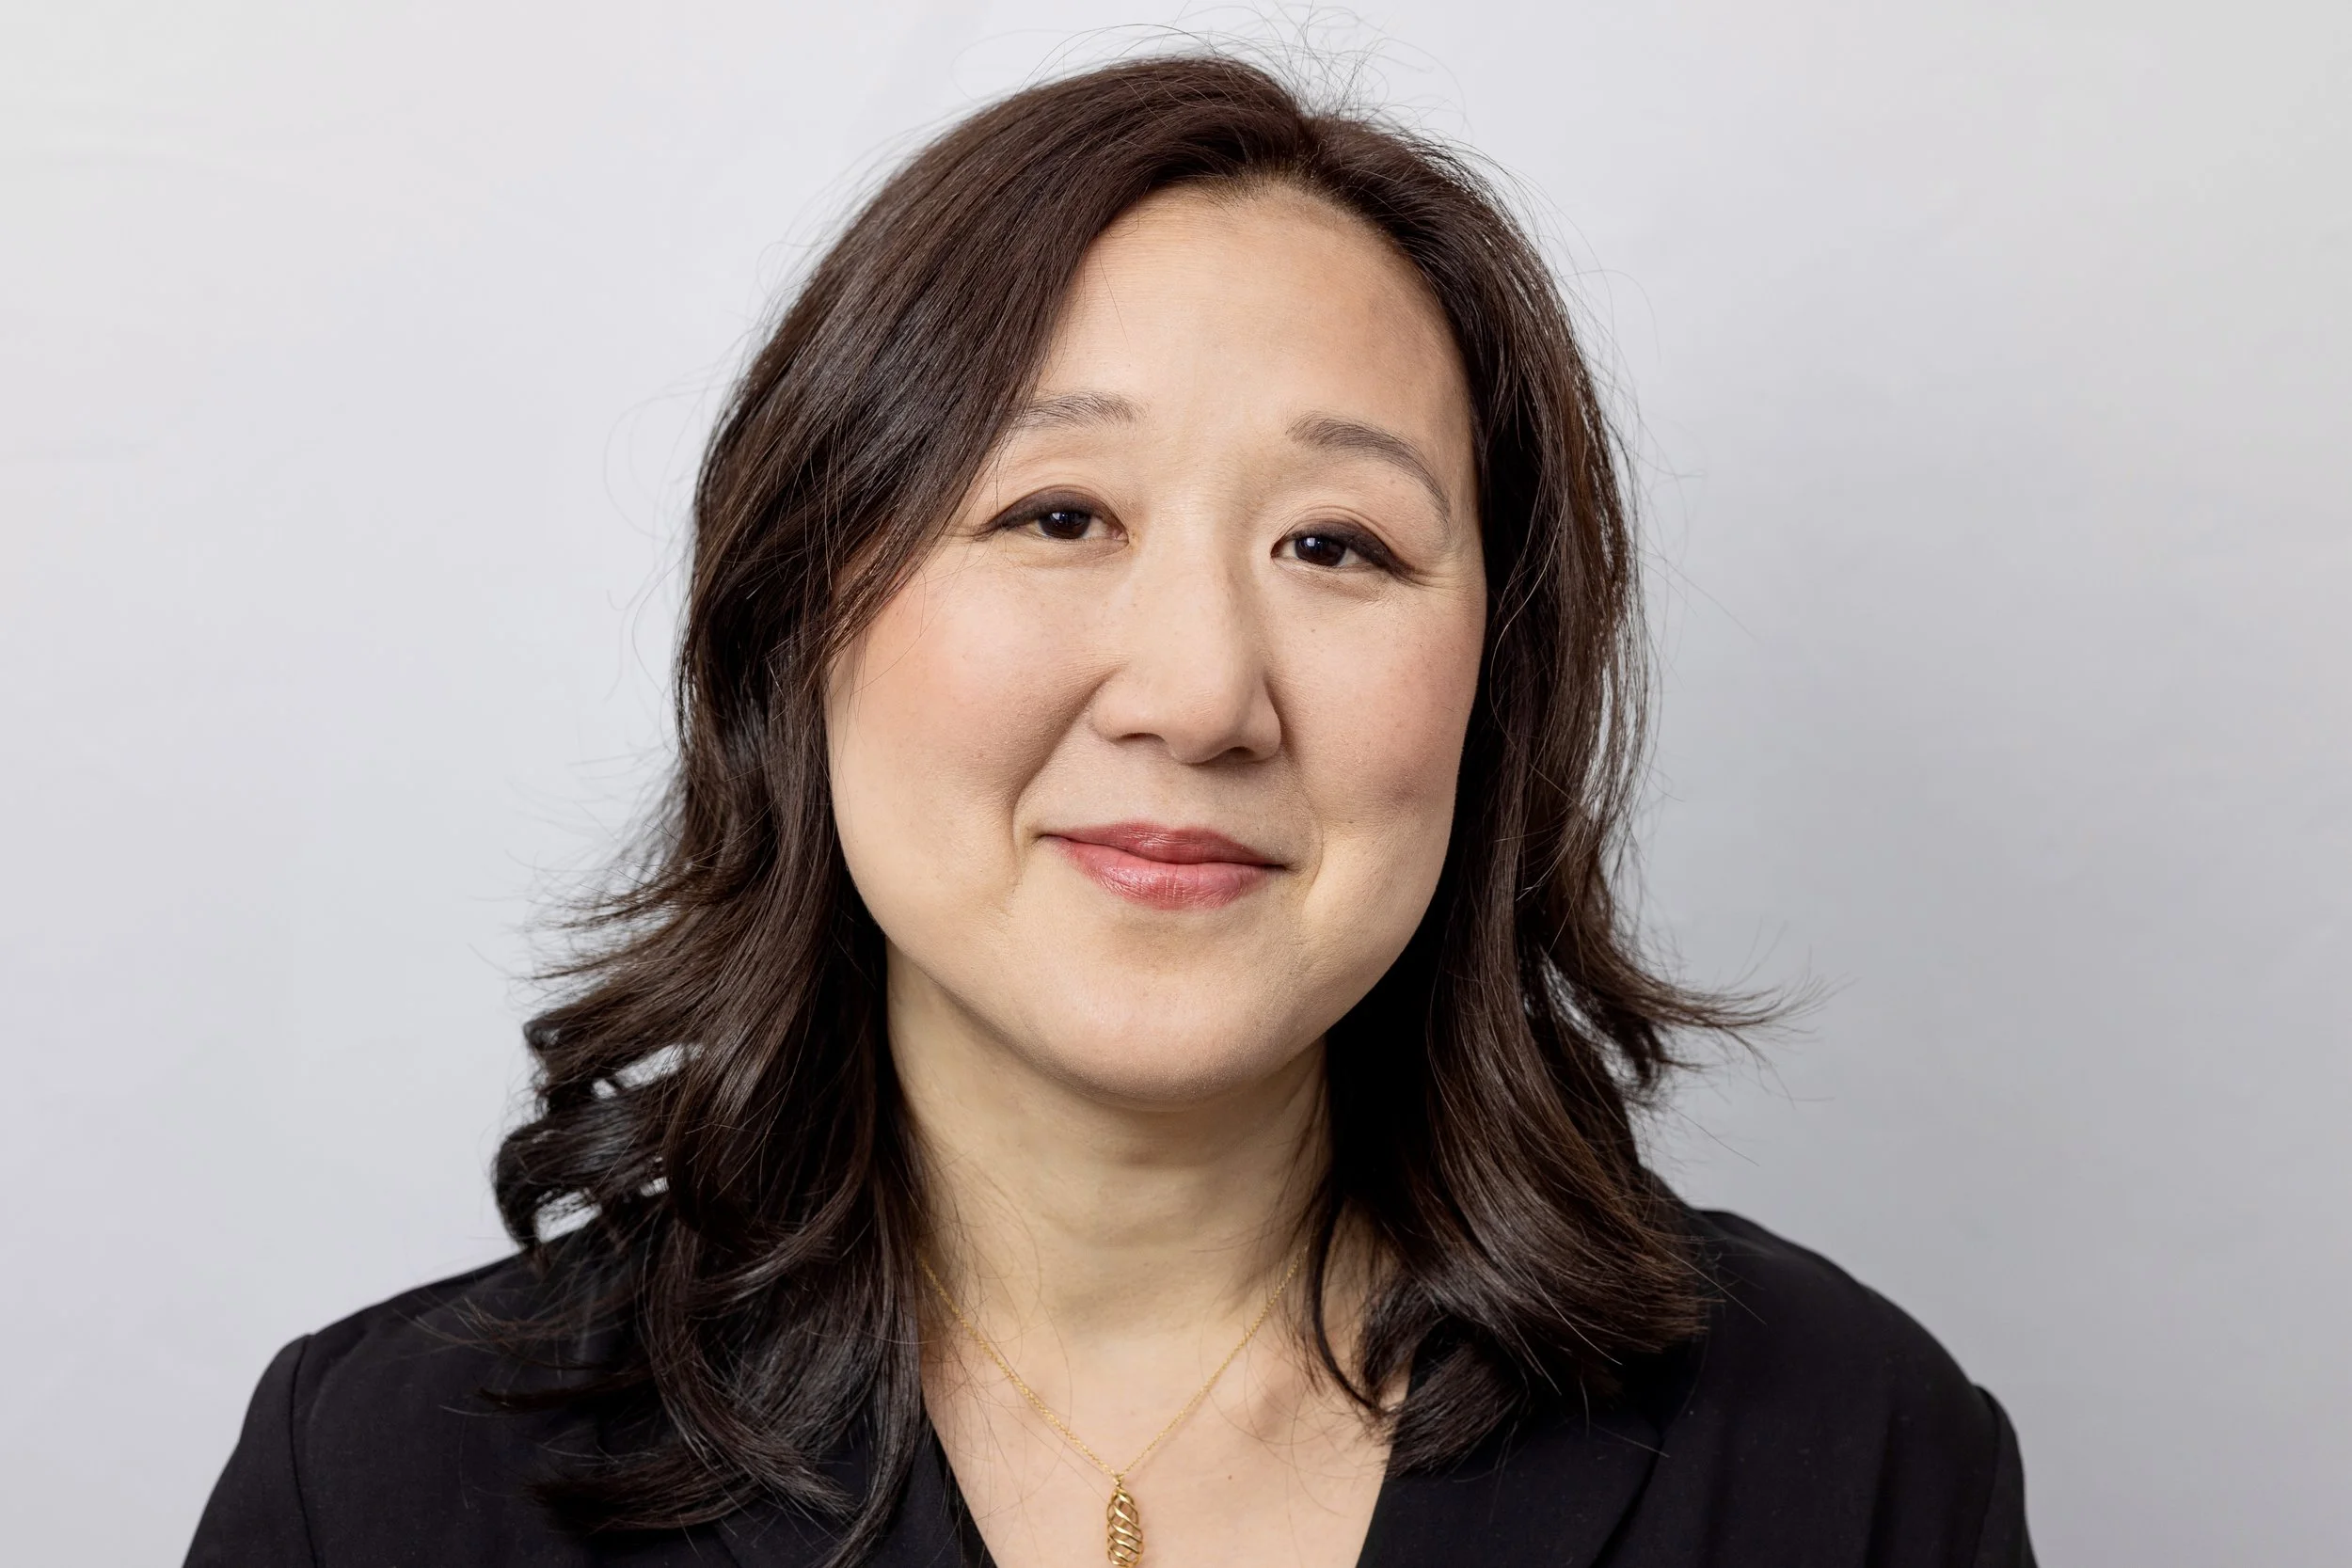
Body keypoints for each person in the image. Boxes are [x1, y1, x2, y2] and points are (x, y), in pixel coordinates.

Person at [186, 53, 2033, 1568]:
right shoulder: (381, 1487)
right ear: (794, 623)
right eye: (1056, 513)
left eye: (1337, 543)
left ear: (1495, 692)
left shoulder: (1845, 1459)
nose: (1197, 693)